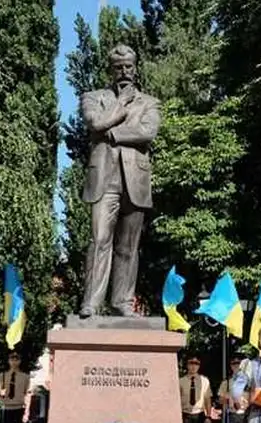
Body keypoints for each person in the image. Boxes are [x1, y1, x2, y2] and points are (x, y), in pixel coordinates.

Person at [78, 44, 162, 317]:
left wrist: (113, 133)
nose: (124, 72)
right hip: (104, 179)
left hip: (135, 181)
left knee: (128, 247)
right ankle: (91, 303)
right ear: (111, 71)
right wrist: (118, 110)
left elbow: (148, 132)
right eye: (118, 68)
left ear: (135, 69)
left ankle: (122, 302)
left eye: (128, 67)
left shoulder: (149, 102)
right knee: (100, 239)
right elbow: (93, 123)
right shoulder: (93, 97)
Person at [179, 354, 213, 423]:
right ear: (187, 365)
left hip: (199, 414)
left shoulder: (204, 381)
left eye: (196, 363)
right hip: (186, 414)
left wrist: (208, 416)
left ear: (199, 365)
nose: (194, 366)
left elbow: (207, 400)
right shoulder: (181, 381)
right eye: (191, 363)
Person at [217, 354, 247, 423]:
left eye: (238, 363)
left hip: (245, 412)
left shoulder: (248, 380)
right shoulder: (227, 382)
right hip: (231, 412)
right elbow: (220, 399)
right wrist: (228, 398)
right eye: (234, 363)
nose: (236, 365)